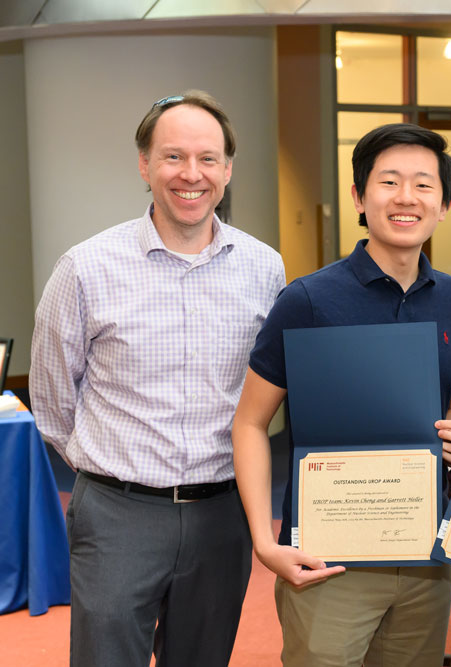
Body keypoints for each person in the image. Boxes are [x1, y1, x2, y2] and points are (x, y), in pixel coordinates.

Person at [30, 90, 285, 666]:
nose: (191, 174)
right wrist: (109, 473)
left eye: (207, 158)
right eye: (173, 157)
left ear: (227, 169)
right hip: (118, 515)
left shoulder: (264, 267)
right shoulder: (85, 267)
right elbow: (50, 400)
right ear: (144, 165)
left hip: (224, 513)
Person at [232, 123, 451, 666]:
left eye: (423, 184)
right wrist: (264, 540)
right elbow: (250, 423)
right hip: (328, 560)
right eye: (389, 182)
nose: (406, 198)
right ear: (359, 198)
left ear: (444, 205)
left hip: (424, 557)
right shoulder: (308, 300)